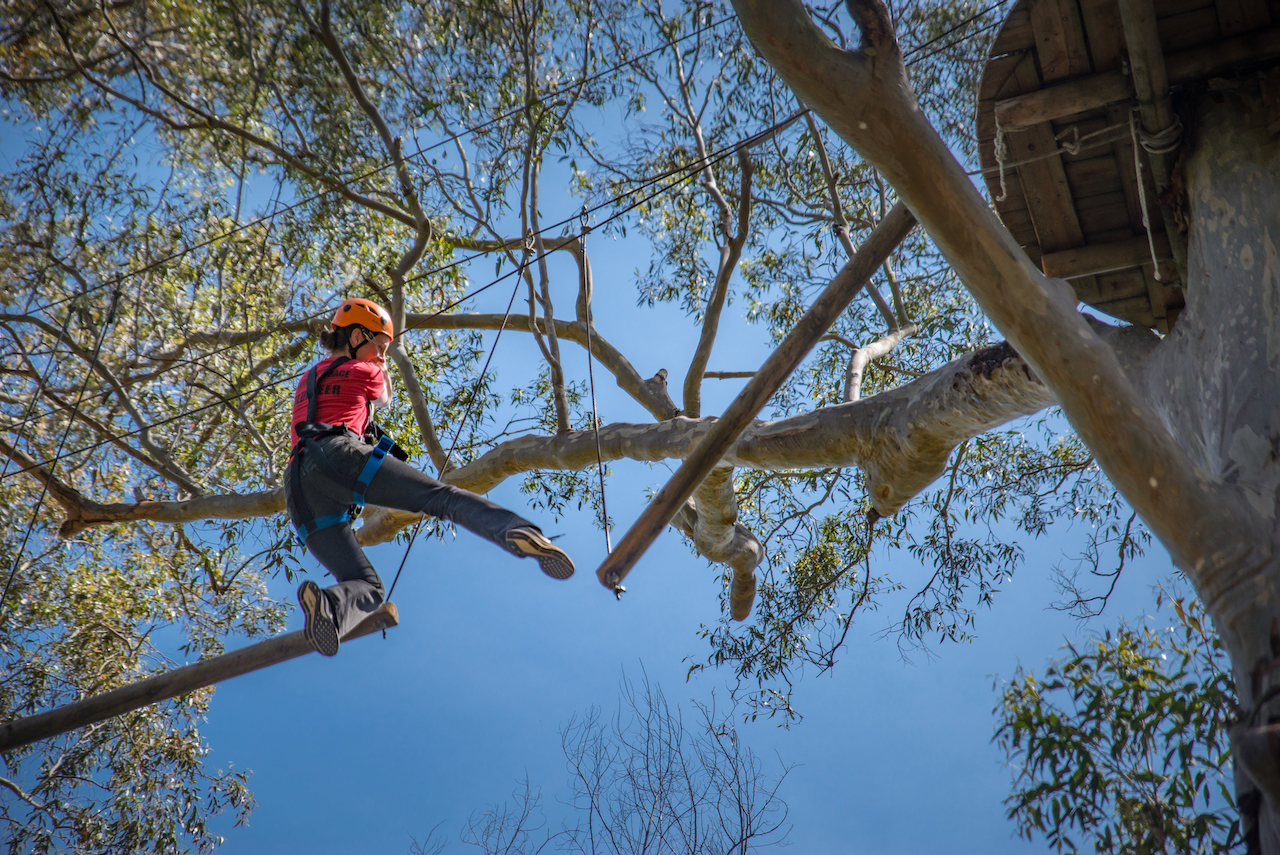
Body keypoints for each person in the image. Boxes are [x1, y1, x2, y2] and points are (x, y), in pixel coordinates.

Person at [285, 297, 574, 656]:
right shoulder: (366, 370)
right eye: (379, 346)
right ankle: (519, 531)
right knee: (441, 498)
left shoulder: (307, 378)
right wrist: (382, 365)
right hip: (338, 456)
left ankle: (329, 607)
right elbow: (385, 397)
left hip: (298, 489)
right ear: (357, 336)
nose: (380, 354)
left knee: (366, 585)